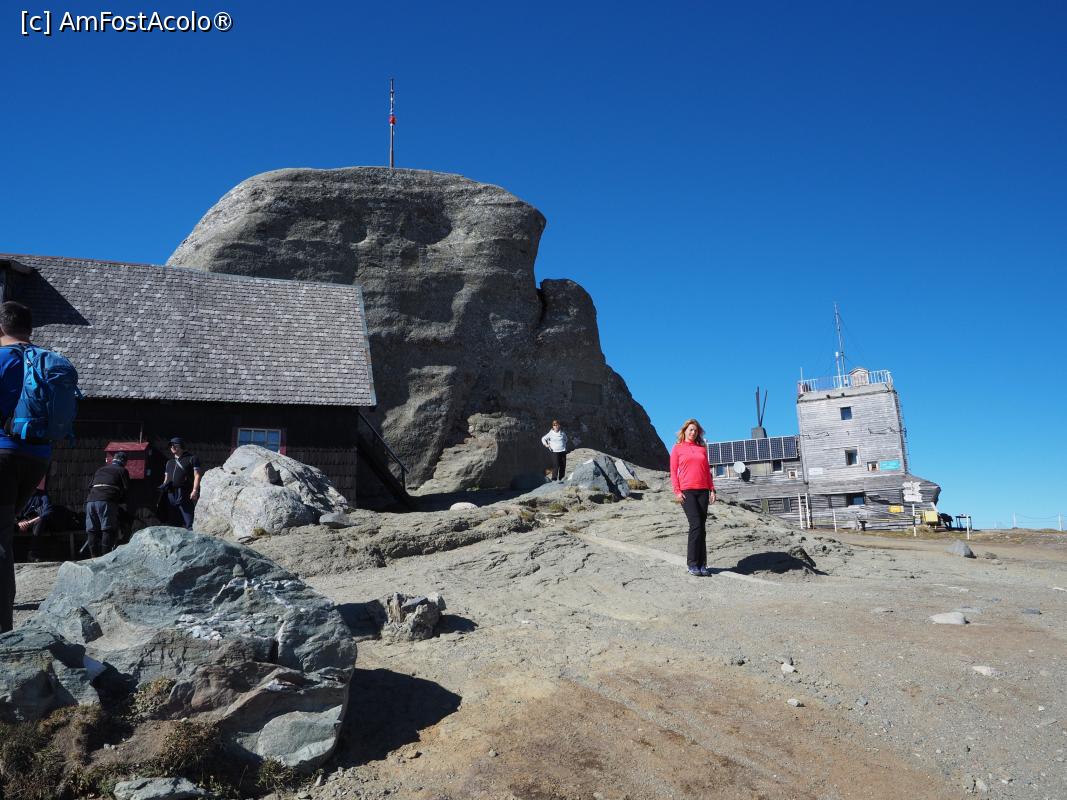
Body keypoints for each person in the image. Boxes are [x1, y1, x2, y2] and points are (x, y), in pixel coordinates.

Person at [0, 301, 53, 632]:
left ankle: (3, 631)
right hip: (37, 457)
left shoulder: (2, 358)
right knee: (3, 534)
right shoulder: (47, 361)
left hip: (2, 453)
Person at [670, 418, 716, 577]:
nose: (693, 432)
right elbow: (673, 471)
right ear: (684, 431)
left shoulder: (702, 449)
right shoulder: (677, 448)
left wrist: (712, 489)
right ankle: (692, 564)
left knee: (702, 527)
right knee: (695, 524)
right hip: (687, 491)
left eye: (695, 430)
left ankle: (702, 565)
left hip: (703, 490)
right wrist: (677, 491)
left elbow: (707, 471)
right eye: (690, 429)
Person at [85, 451, 131, 556]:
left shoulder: (100, 469)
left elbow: (89, 486)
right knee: (107, 528)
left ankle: (93, 557)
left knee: (92, 530)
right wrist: (121, 501)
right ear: (124, 461)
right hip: (106, 500)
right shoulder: (122, 470)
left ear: (113, 460)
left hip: (91, 501)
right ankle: (105, 556)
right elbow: (126, 489)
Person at [160, 437, 201, 529]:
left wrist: (195, 490)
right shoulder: (169, 462)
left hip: (184, 492)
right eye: (171, 445)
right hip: (171, 493)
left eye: (175, 445)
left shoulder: (192, 459)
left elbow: (197, 475)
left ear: (181, 446)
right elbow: (166, 479)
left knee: (189, 521)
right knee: (173, 522)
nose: (172, 447)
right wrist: (163, 488)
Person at [17, 483, 53, 562]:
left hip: (34, 522)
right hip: (20, 521)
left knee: (40, 521)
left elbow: (48, 511)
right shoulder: (20, 495)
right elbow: (11, 512)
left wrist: (28, 523)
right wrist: (18, 522)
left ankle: (32, 554)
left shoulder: (43, 495)